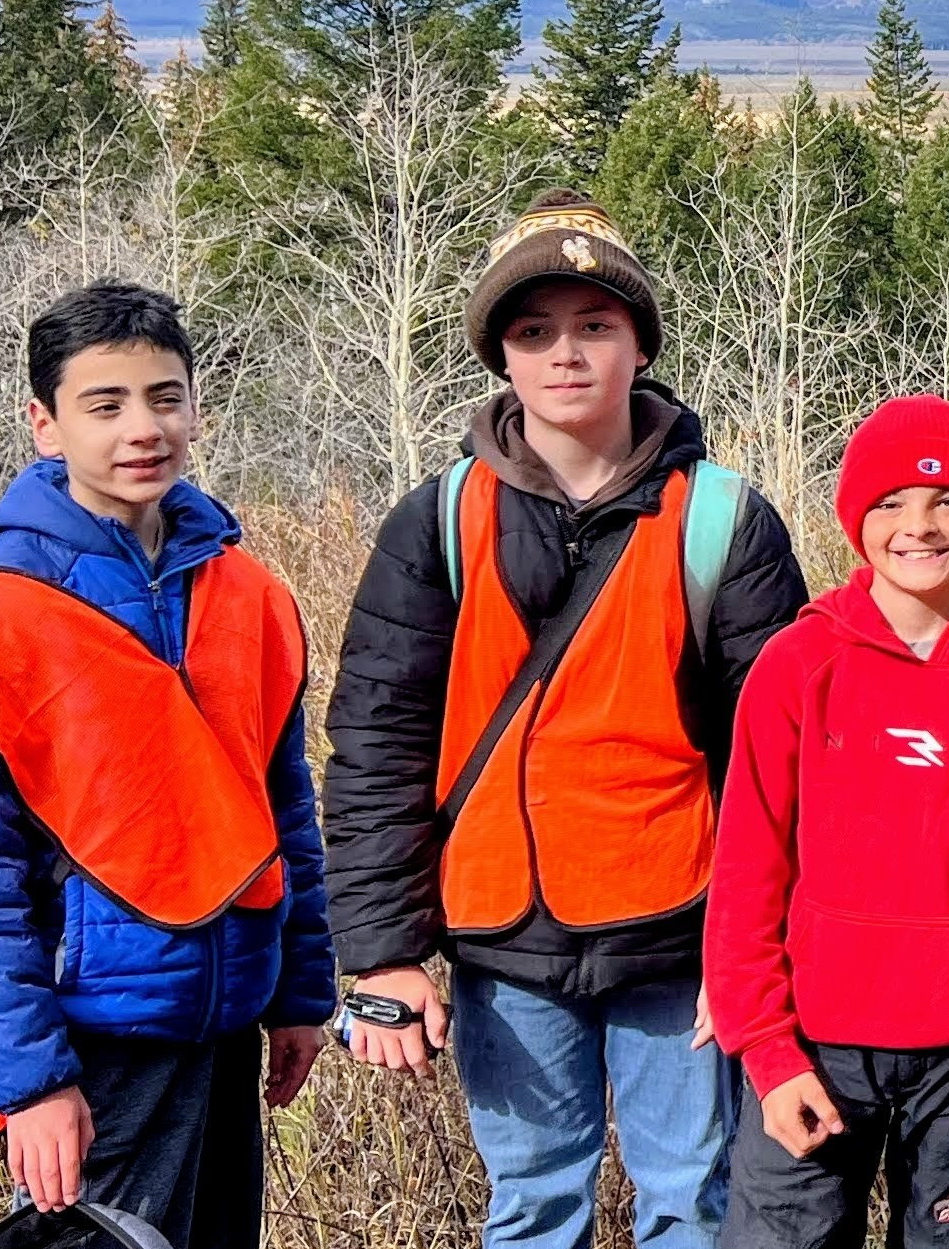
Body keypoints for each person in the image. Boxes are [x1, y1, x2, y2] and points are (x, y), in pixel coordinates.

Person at [322, 191, 813, 1249]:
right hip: (503, 936)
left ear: (640, 341)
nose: (566, 353)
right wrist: (384, 953)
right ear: (501, 354)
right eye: (534, 330)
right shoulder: (440, 519)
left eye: (596, 324)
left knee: (694, 1199)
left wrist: (758, 955)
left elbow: (785, 765)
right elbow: (375, 744)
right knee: (535, 1206)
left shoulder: (723, 519)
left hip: (680, 933)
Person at [0, 283, 331, 1247]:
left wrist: (300, 991)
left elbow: (286, 813)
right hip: (92, 1045)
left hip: (222, 1029)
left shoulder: (248, 593)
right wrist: (31, 1083)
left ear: (196, 407)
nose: (143, 427)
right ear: (45, 424)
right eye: (106, 403)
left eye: (165, 397)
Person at [708, 397, 949, 1249]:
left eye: (946, 501)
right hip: (817, 1049)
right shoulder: (796, 665)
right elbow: (746, 869)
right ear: (857, 519)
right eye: (889, 503)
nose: (917, 526)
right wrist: (768, 1054)